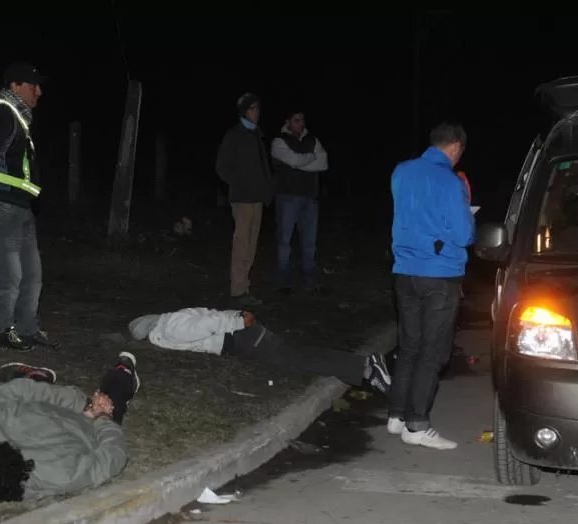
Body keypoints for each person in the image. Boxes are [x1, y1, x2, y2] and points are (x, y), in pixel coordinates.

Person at [388, 122, 476, 450]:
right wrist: (469, 213)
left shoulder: (401, 172)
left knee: (409, 345)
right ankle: (417, 425)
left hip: (404, 270)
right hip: (439, 275)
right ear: (455, 146)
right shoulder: (451, 182)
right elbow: (463, 235)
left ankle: (397, 416)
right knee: (433, 351)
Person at [0, 353, 140, 502]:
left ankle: (35, 377)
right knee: (116, 392)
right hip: (90, 429)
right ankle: (123, 375)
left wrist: (82, 405)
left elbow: (20, 392)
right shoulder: (60, 475)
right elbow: (111, 457)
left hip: (58, 409)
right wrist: (102, 417)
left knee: (31, 389)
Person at [0, 62, 57, 352]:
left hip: (20, 205)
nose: (39, 91)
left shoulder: (18, 116)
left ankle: (27, 329)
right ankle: (0, 331)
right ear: (15, 86)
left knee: (32, 273)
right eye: (33, 85)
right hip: (2, 203)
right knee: (10, 273)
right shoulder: (2, 112)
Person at [127, 308, 391, 393]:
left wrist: (240, 321)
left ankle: (365, 367)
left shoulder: (170, 328)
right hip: (243, 337)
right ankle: (361, 368)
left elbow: (209, 323)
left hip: (242, 337)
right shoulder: (169, 322)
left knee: (298, 359)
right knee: (298, 356)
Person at [215, 93, 273, 306]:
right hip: (242, 199)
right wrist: (239, 183)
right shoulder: (235, 135)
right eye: (253, 108)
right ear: (244, 111)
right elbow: (221, 167)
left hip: (258, 199)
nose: (257, 112)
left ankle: (244, 284)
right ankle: (238, 289)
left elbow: (263, 166)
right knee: (242, 244)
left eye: (258, 108)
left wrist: (268, 188)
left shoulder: (257, 135)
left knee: (252, 245)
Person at [270, 109, 328, 293]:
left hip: (310, 197)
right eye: (296, 120)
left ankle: (309, 281)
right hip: (288, 197)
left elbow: (324, 163)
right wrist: (311, 158)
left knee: (310, 242)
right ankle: (283, 281)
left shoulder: (312, 139)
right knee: (284, 242)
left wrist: (301, 162)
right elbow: (293, 160)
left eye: (302, 120)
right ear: (288, 122)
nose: (300, 123)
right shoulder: (279, 141)